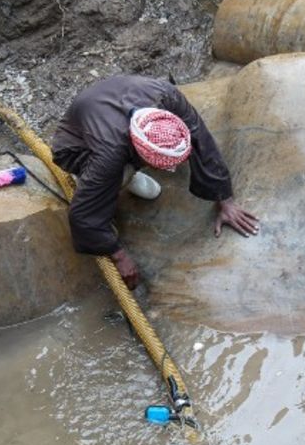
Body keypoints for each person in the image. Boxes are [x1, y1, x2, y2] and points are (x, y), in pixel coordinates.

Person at [50, 74, 259, 289]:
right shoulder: (110, 153)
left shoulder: (168, 96)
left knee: (146, 184)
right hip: (76, 144)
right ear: (138, 151)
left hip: (112, 105)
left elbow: (201, 140)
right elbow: (82, 216)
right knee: (111, 176)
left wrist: (225, 198)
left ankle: (125, 172)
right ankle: (111, 176)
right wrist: (119, 255)